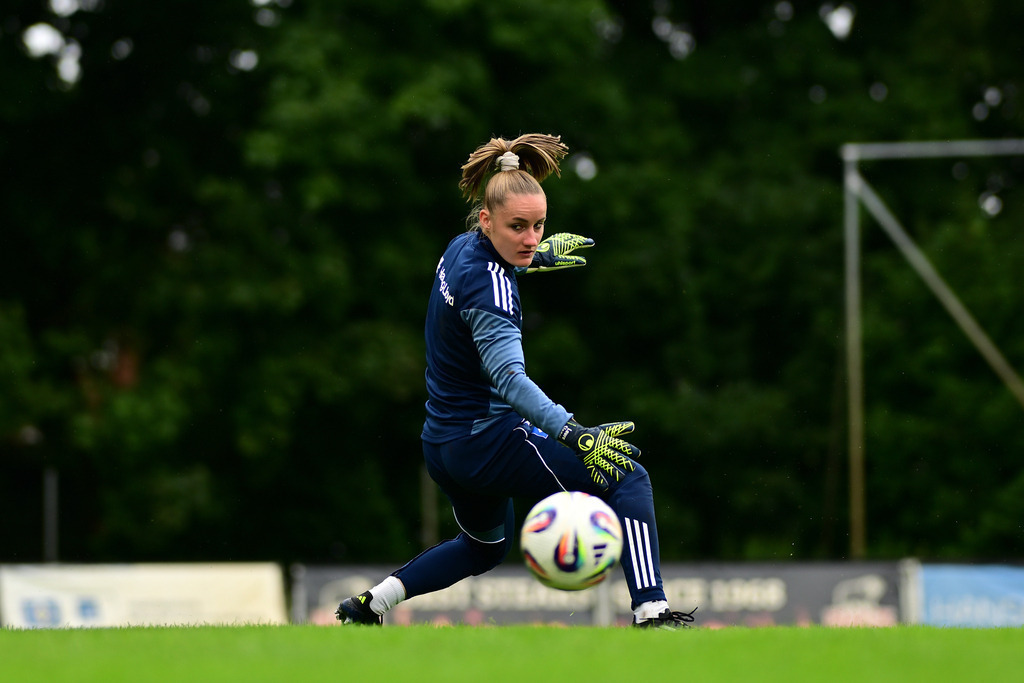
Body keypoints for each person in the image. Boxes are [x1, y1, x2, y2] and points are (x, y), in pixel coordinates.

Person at [336, 133, 694, 629]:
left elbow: (485, 273)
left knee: (484, 547)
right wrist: (573, 433)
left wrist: (537, 256)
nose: (530, 237)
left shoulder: (461, 247)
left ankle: (370, 606)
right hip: (487, 443)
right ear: (487, 219)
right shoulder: (494, 293)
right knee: (627, 478)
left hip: (442, 446)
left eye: (539, 226)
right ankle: (651, 613)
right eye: (518, 227)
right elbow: (508, 379)